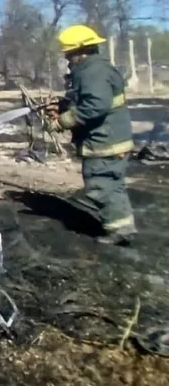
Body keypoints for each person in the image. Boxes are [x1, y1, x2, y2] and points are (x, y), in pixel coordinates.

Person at [47, 24, 136, 245]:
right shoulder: (93, 69)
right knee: (111, 185)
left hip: (105, 142)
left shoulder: (93, 71)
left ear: (81, 51)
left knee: (100, 185)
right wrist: (63, 106)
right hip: (109, 139)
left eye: (69, 54)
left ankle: (118, 231)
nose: (67, 59)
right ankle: (122, 226)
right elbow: (86, 99)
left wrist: (63, 121)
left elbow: (96, 105)